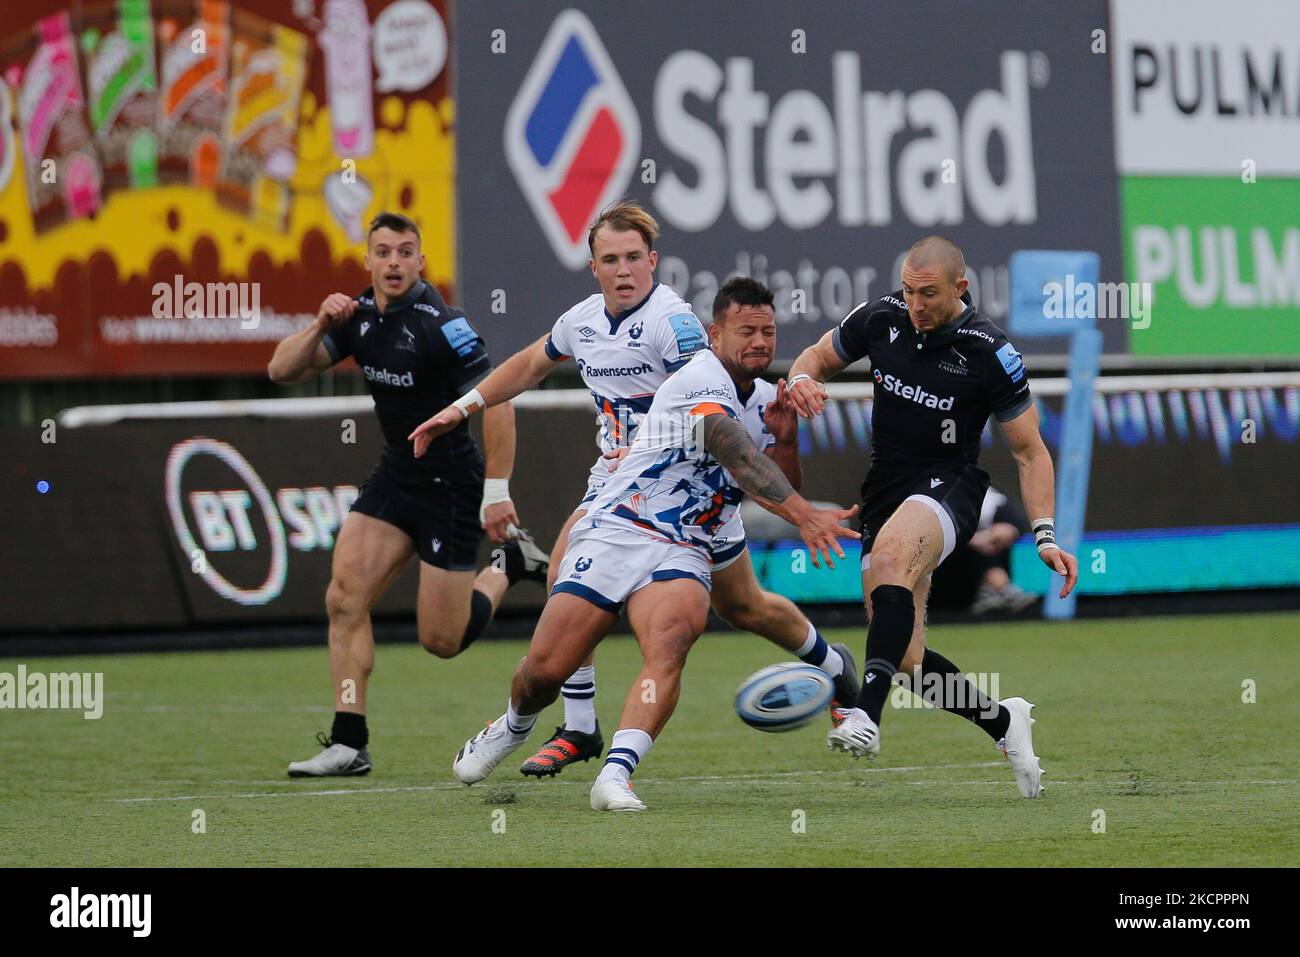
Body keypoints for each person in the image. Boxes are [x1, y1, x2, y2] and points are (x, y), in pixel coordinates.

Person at [411, 202, 858, 779]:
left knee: (744, 607)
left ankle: (832, 663)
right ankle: (577, 725)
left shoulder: (676, 326)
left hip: (692, 487)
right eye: (610, 259)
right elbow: (526, 365)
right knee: (563, 576)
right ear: (593, 267)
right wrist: (462, 407)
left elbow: (710, 410)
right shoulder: (584, 320)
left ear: (653, 262)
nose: (623, 270)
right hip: (623, 487)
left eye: (633, 259)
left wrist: (676, 440)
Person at [786, 235, 1079, 798]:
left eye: (929, 294)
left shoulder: (989, 350)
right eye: (909, 291)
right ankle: (1003, 721)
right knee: (907, 656)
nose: (916, 304)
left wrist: (1043, 534)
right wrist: (803, 380)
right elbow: (817, 356)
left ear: (960, 289)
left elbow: (1030, 451)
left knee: (893, 558)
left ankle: (865, 715)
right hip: (885, 489)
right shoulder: (881, 318)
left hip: (951, 485)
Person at [266, 211, 549, 777]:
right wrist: (321, 324)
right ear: (367, 260)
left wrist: (496, 490)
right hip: (397, 475)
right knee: (344, 599)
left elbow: (499, 399)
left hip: (449, 483)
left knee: (441, 641)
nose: (393, 262)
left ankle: (508, 564)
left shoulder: (442, 324)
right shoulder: (356, 315)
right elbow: (280, 369)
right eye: (382, 252)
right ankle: (349, 741)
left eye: (404, 252)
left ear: (421, 261)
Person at [929, 486, 1038, 615]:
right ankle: (999, 590)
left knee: (990, 546)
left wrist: (999, 533)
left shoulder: (994, 502)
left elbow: (1012, 527)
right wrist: (975, 540)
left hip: (981, 565)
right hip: (944, 573)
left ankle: (997, 590)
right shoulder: (937, 496)